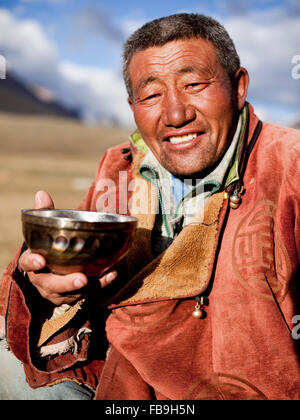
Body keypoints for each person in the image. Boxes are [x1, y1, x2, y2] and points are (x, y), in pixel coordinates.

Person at [0, 13, 299, 400]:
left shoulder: (290, 167)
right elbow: (66, 284)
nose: (176, 115)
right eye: (152, 95)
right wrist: (49, 285)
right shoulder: (120, 166)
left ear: (238, 86)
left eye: (194, 84)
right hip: (115, 383)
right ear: (132, 105)